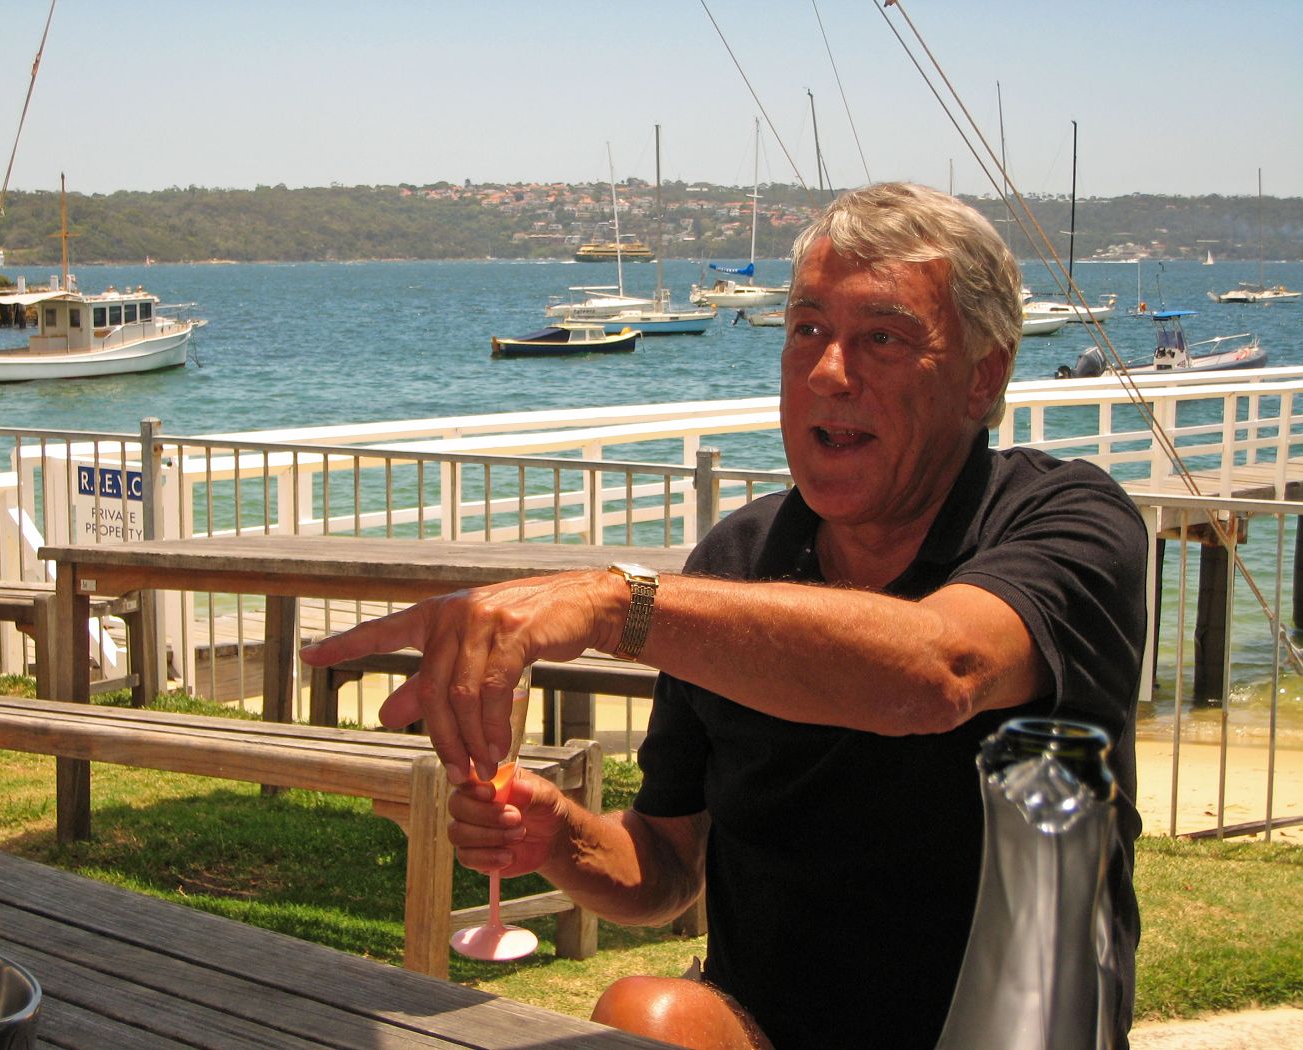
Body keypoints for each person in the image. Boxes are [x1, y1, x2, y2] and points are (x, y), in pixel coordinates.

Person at [302, 182, 1147, 1049]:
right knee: (648, 1016)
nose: (828, 372)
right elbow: (667, 865)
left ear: (983, 376)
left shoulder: (1069, 522)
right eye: (806, 329)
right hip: (765, 1032)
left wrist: (613, 603)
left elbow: (942, 670)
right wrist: (557, 836)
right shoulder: (739, 560)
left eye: (882, 339)